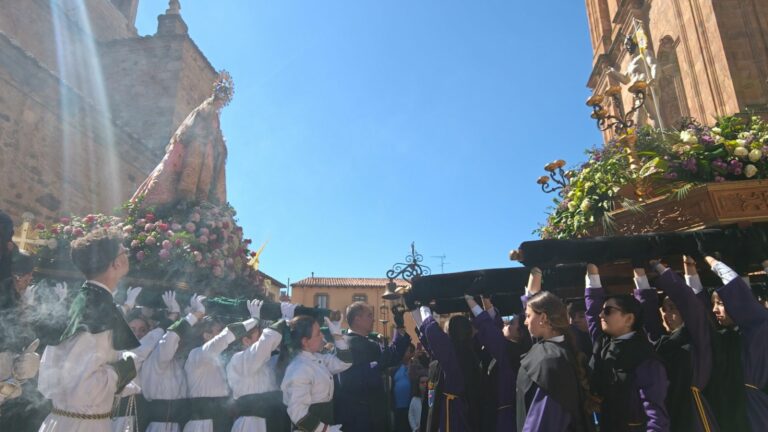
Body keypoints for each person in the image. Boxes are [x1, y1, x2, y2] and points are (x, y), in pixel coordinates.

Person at [37, 228, 140, 432]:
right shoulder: (97, 310)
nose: (127, 254)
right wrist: (123, 370)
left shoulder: (86, 301)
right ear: (115, 263)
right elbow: (82, 389)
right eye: (124, 251)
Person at [635, 258, 719, 432]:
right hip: (669, 410)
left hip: (694, 414)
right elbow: (649, 320)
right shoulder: (662, 343)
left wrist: (658, 266)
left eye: (673, 308)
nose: (667, 314)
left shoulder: (696, 337)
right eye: (664, 309)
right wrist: (639, 273)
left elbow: (689, 302)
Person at [584, 263, 670, 431]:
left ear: (629, 319)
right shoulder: (603, 345)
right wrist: (592, 271)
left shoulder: (645, 357)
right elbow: (592, 312)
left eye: (608, 311)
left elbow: (655, 413)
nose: (601, 315)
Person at [705, 255, 768, 430]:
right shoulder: (729, 336)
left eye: (721, 303)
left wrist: (711, 261)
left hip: (757, 411)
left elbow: (738, 290)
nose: (714, 309)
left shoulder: (760, 327)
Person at [516, 291, 593, 432]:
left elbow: (543, 420)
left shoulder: (549, 361)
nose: (525, 321)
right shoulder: (560, 350)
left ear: (543, 318)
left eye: (528, 316)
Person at [183, 299, 264, 432]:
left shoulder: (220, 358)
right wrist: (253, 320)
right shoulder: (196, 354)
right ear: (207, 335)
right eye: (218, 331)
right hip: (202, 425)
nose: (221, 334)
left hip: (221, 420)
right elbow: (225, 337)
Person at [334, 302, 412, 432]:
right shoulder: (345, 345)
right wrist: (376, 366)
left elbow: (391, 356)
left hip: (373, 416)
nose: (373, 319)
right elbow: (348, 381)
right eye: (369, 315)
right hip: (356, 419)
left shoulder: (370, 343)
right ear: (357, 320)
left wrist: (400, 326)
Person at [140, 292, 206, 432]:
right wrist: (195, 314)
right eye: (180, 338)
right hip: (160, 426)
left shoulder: (180, 361)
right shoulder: (157, 358)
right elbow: (171, 338)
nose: (181, 342)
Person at [465, 289, 527, 432]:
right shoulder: (514, 349)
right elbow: (495, 326)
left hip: (504, 418)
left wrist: (468, 298)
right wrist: (485, 299)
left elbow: (488, 328)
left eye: (512, 323)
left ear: (520, 334)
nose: (506, 324)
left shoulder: (509, 351)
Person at [412, 305, 481, 432]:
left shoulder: (455, 354)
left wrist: (424, 307)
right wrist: (414, 309)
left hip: (454, 416)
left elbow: (433, 333)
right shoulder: (464, 352)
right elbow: (429, 338)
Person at [280, 315, 352, 432]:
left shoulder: (317, 358)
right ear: (305, 341)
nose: (322, 336)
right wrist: (326, 430)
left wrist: (337, 335)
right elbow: (297, 412)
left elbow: (345, 362)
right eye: (318, 334)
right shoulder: (300, 369)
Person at [227, 307, 290, 432]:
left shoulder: (266, 361)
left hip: (272, 420)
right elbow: (264, 345)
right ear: (246, 340)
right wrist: (283, 321)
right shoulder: (238, 359)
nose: (263, 338)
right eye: (259, 335)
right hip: (251, 424)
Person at [391, 344, 416, 432]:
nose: (404, 352)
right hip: (398, 409)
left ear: (412, 353)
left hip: (411, 407)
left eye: (407, 351)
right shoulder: (394, 368)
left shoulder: (416, 366)